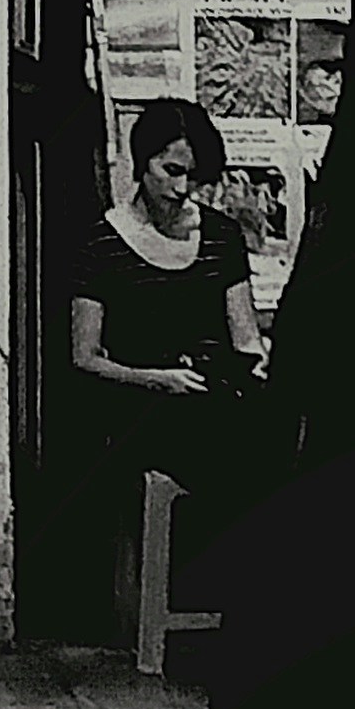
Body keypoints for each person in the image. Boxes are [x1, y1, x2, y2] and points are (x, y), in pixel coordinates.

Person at [58, 101, 276, 634]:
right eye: (171, 171)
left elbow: (245, 337)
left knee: (271, 429)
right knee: (227, 446)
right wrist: (155, 379)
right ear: (143, 162)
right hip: (139, 402)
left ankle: (252, 601)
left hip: (210, 392)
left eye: (192, 177)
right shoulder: (102, 242)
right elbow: (85, 357)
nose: (181, 189)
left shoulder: (220, 236)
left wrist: (253, 367)